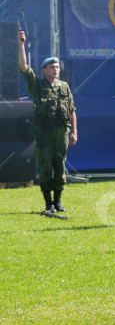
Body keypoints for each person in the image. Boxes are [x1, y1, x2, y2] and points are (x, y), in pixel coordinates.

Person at [18, 31, 77, 214]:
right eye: (52, 67)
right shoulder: (37, 85)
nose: (55, 69)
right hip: (44, 134)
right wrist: (21, 44)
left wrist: (74, 131)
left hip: (61, 133)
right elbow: (24, 67)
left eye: (57, 67)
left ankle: (58, 202)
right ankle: (48, 203)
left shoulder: (64, 86)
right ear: (44, 70)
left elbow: (72, 109)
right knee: (45, 167)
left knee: (59, 167)